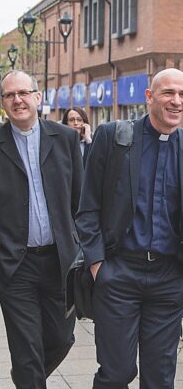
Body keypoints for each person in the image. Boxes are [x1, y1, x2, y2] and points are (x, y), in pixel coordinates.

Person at [0, 70, 83, 388]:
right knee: (26, 351)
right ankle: (28, 376)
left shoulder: (66, 138)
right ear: (3, 103)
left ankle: (25, 378)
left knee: (63, 339)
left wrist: (82, 249)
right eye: (9, 95)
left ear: (37, 96)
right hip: (15, 264)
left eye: (23, 93)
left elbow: (80, 200)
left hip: (60, 263)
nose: (17, 100)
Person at [76, 68, 183, 388]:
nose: (176, 101)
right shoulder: (113, 137)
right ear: (149, 97)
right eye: (168, 93)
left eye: (182, 95)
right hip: (119, 274)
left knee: (160, 377)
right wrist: (98, 265)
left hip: (169, 279)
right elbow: (88, 207)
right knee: (116, 373)